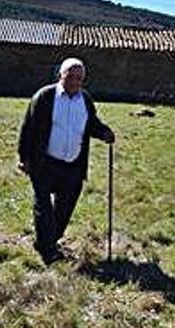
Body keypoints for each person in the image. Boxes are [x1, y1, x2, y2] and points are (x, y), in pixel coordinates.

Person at [18, 58, 115, 264]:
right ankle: (47, 250)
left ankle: (49, 240)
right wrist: (24, 158)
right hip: (45, 162)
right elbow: (29, 128)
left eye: (79, 77)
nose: (74, 81)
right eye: (70, 76)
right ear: (60, 75)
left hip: (73, 164)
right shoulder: (45, 97)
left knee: (65, 207)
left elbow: (91, 124)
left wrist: (104, 132)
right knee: (43, 206)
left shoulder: (85, 100)